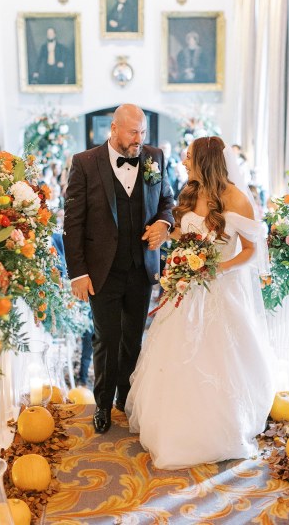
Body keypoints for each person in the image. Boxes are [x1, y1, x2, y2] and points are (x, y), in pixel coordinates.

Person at [125, 136, 276, 470]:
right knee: (176, 356)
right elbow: (186, 234)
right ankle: (174, 427)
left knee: (218, 359)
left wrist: (216, 269)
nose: (183, 162)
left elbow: (252, 251)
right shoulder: (190, 191)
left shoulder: (237, 199)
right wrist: (168, 237)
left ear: (204, 161)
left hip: (219, 290)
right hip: (186, 288)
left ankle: (217, 428)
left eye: (189, 157)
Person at [63, 104, 175, 435]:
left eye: (143, 133)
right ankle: (102, 404)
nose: (139, 139)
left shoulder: (154, 157)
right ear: (114, 129)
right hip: (102, 271)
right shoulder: (84, 163)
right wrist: (78, 272)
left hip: (141, 267)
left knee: (133, 339)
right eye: (132, 132)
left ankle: (125, 398)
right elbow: (73, 221)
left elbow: (167, 201)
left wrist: (164, 223)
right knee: (106, 338)